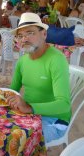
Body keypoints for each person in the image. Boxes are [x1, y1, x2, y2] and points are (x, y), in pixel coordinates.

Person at [7, 13, 71, 143]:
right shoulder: (23, 61)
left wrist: (29, 107)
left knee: (16, 141)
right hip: (29, 115)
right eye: (20, 36)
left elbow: (64, 105)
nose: (24, 39)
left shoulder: (56, 59)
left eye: (30, 33)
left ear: (44, 34)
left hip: (55, 120)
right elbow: (12, 91)